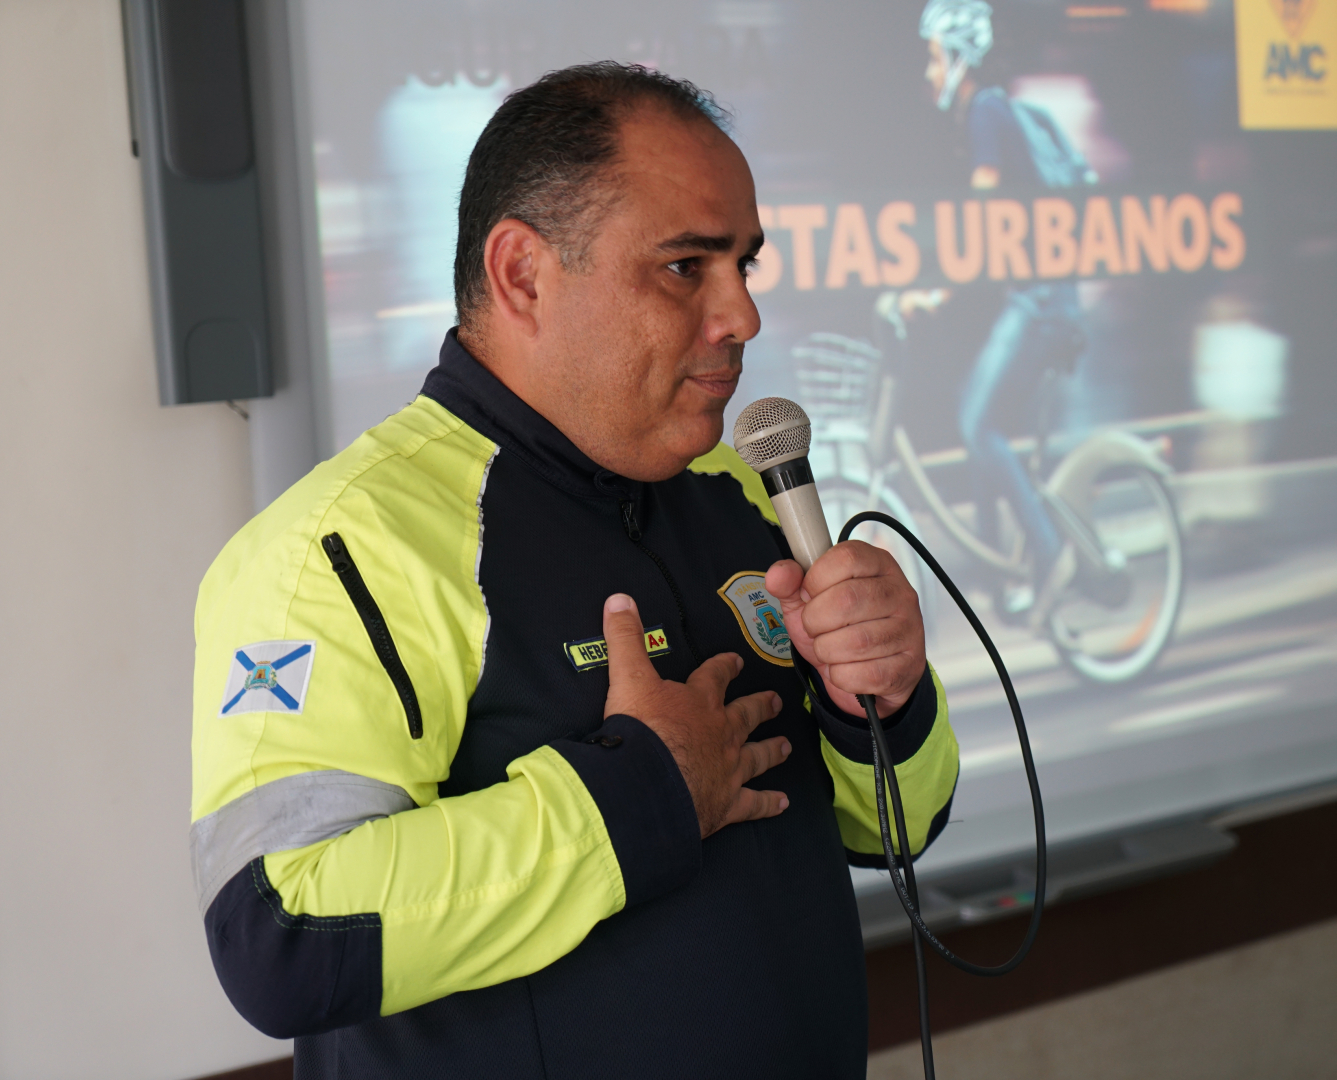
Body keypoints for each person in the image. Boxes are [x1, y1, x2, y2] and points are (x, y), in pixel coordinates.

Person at [190, 63, 959, 1079]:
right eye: (687, 267)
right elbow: (279, 931)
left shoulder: (742, 492)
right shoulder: (340, 548)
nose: (743, 315)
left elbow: (890, 828)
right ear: (522, 276)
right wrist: (638, 797)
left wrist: (889, 699)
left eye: (745, 265)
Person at [919, 0, 1098, 621]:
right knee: (976, 412)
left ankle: (1049, 555)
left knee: (976, 425)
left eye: (935, 57)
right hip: (1038, 296)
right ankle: (1003, 562)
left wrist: (935, 293)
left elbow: (981, 226)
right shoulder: (985, 112)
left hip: (1041, 301)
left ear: (961, 57)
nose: (928, 72)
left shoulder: (986, 114)